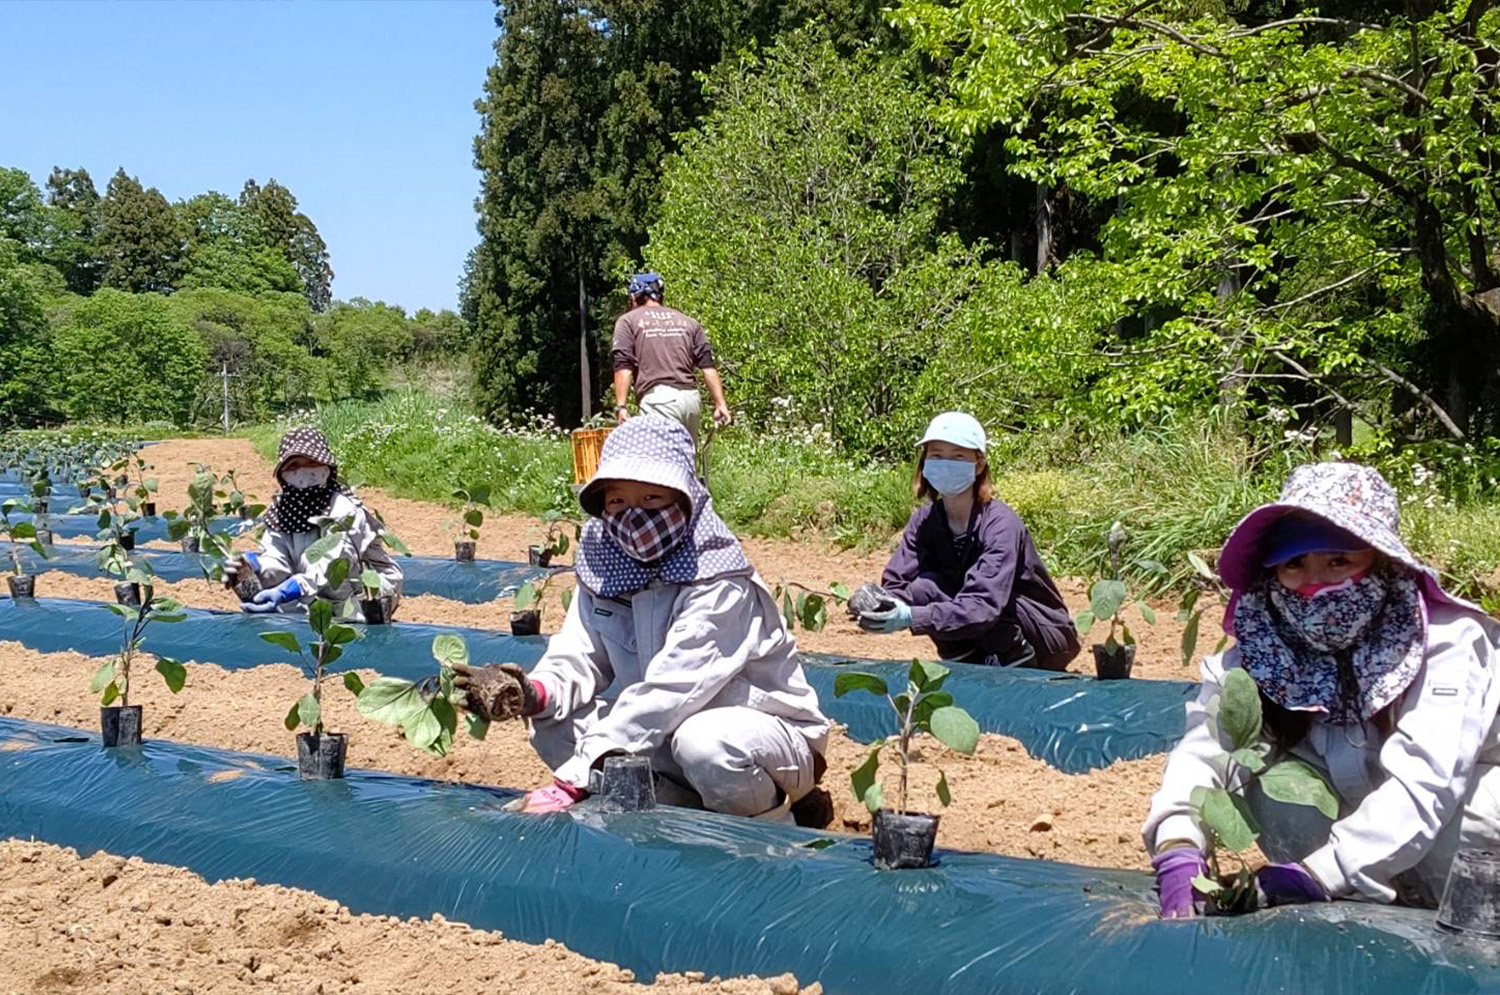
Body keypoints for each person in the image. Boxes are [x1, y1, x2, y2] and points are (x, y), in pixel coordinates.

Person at [1144, 462, 1500, 917]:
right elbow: (1205, 749)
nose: (1315, 583)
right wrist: (1177, 841)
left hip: (1460, 855)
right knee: (1270, 787)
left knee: (1480, 811)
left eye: (1339, 561)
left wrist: (1320, 874)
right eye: (1294, 565)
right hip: (1341, 847)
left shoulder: (1450, 641)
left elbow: (1427, 781)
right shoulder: (1265, 647)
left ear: (1383, 561)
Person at [454, 414, 829, 820]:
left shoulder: (717, 576)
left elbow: (671, 691)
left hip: (765, 739)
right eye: (617, 502)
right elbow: (579, 656)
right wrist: (533, 694)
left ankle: (771, 833)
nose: (634, 517)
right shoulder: (608, 565)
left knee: (705, 743)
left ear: (683, 498)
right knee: (553, 722)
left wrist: (575, 778)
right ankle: (684, 817)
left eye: (651, 499)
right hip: (668, 734)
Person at [854, 412, 1080, 671]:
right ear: (925, 461)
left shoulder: (1000, 523)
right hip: (978, 630)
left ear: (979, 464)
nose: (946, 463)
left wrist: (911, 616)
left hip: (1042, 637)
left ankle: (1019, 667)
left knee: (983, 601)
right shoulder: (926, 521)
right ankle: (968, 665)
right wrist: (878, 602)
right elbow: (898, 584)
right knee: (927, 588)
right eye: (936, 455)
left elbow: (983, 606)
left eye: (958, 456)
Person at [223, 427, 403, 616]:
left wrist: (290, 589)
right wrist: (256, 566)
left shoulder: (344, 510)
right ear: (282, 473)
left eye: (310, 462)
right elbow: (278, 560)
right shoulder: (281, 512)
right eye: (293, 465)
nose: (302, 471)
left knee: (341, 596)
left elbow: (333, 567)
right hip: (313, 590)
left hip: (363, 592)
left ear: (326, 467)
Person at [611, 272, 731, 445]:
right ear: (661, 295)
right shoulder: (688, 321)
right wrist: (721, 403)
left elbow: (623, 364)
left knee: (660, 466)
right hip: (691, 401)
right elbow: (708, 366)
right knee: (686, 463)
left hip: (659, 401)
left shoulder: (628, 321)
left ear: (633, 296)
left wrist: (621, 406)